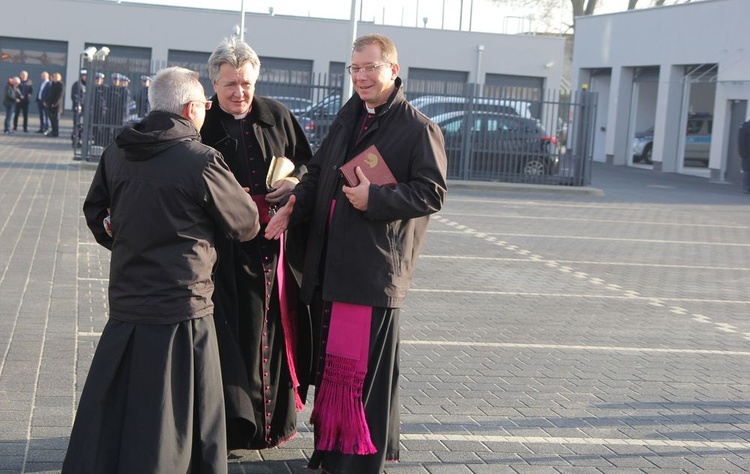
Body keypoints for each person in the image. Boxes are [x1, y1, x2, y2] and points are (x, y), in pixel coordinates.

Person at [63, 66, 261, 473]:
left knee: (120, 399)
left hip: (129, 299)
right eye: (205, 103)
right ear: (191, 109)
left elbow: (95, 211)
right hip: (182, 307)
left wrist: (112, 228)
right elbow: (246, 224)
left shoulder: (117, 150)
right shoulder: (201, 160)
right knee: (178, 409)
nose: (207, 110)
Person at [265, 33, 448, 474]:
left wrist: (377, 200)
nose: (362, 77)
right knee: (335, 371)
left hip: (372, 271)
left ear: (393, 70)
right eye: (355, 69)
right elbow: (315, 174)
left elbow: (432, 193)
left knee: (365, 377)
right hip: (332, 266)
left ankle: (359, 461)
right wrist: (295, 205)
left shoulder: (418, 128)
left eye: (370, 68)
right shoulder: (349, 119)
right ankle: (333, 449)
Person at [200, 36, 314, 451]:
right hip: (223, 252)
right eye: (230, 84)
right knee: (235, 337)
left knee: (277, 335)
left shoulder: (278, 116)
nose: (239, 92)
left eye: (246, 83)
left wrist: (294, 181)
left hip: (275, 247)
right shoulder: (203, 123)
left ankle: (274, 426)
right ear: (213, 83)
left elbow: (308, 164)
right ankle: (233, 427)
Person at [71, 69, 87, 147]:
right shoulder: (78, 84)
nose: (86, 77)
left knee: (81, 125)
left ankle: (79, 140)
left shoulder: (85, 85)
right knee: (77, 125)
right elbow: (75, 97)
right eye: (85, 76)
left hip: (84, 109)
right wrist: (78, 106)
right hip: (79, 109)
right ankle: (75, 141)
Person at [46, 72, 64, 137]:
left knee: (55, 120)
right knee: (52, 119)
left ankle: (55, 132)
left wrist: (54, 103)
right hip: (51, 105)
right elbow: (50, 94)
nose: (54, 78)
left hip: (56, 106)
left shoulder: (60, 85)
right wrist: (47, 102)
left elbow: (59, 96)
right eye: (54, 77)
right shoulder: (53, 84)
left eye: (56, 77)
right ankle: (53, 131)